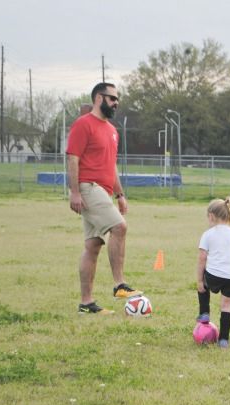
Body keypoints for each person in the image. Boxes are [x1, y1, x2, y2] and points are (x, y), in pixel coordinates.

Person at [67, 82, 142, 315]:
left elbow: (111, 166)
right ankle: (120, 285)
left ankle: (86, 303)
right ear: (99, 98)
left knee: (93, 246)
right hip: (89, 188)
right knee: (119, 227)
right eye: (112, 98)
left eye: (117, 98)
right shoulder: (83, 124)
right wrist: (75, 192)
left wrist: (120, 194)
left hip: (105, 190)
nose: (116, 103)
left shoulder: (111, 130)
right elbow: (72, 159)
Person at [196, 197, 230, 348]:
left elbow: (202, 258)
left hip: (214, 276)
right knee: (227, 306)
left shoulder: (208, 234)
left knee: (203, 284)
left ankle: (204, 313)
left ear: (211, 216)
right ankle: (223, 340)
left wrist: (199, 280)